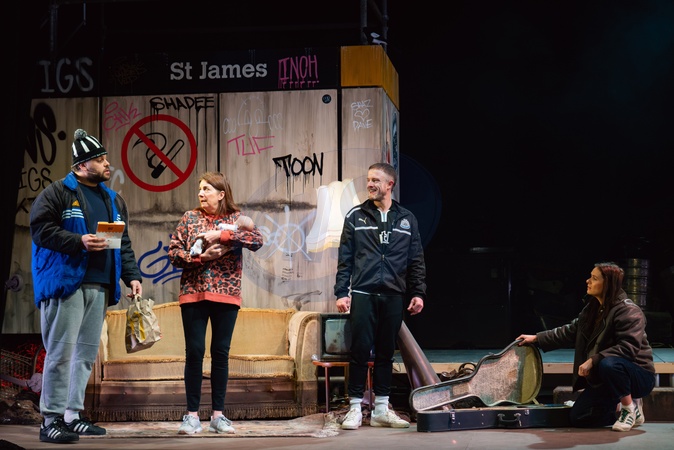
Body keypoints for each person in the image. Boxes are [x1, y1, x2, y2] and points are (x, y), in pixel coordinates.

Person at [30, 129, 143, 444]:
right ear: (81, 165)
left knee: (84, 355)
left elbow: (122, 242)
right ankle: (50, 419)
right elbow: (40, 229)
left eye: (105, 158)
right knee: (60, 353)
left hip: (100, 284)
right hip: (66, 283)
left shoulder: (112, 199)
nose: (107, 164)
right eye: (100, 159)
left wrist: (132, 276)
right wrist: (78, 240)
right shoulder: (58, 193)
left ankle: (72, 415)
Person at [168, 171, 263, 435]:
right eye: (200, 189)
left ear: (221, 194)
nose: (201, 193)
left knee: (220, 353)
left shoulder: (236, 219)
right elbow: (174, 253)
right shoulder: (190, 218)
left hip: (227, 295)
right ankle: (192, 416)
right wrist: (201, 258)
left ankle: (218, 416)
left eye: (207, 189)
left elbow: (257, 240)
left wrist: (220, 236)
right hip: (194, 293)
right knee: (194, 353)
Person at [334, 162, 426, 430]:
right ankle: (354, 408)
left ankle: (382, 410)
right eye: (369, 179)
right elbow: (345, 258)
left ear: (389, 184)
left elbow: (416, 259)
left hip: (393, 295)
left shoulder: (407, 219)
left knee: (386, 353)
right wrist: (341, 292)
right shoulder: (356, 216)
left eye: (375, 180)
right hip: (363, 292)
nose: (370, 184)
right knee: (360, 351)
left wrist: (418, 292)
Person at [517, 261, 656, 432]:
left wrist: (593, 360)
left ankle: (629, 408)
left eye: (594, 278)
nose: (588, 281)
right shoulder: (592, 309)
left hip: (638, 376)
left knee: (609, 364)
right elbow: (570, 331)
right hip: (607, 377)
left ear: (608, 283)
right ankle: (624, 409)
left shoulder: (629, 311)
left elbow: (628, 348)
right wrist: (537, 338)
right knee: (579, 417)